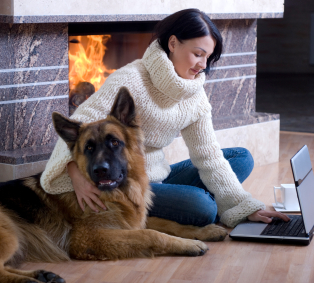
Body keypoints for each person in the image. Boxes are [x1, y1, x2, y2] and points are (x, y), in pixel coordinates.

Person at [40, 8, 289, 228]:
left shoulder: (194, 94)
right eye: (198, 54)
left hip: (162, 173)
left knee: (241, 157)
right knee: (205, 208)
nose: (203, 64)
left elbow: (208, 155)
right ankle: (192, 203)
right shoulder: (131, 80)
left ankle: (191, 201)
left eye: (208, 57)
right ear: (173, 43)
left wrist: (246, 206)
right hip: (130, 182)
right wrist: (74, 172)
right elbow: (79, 126)